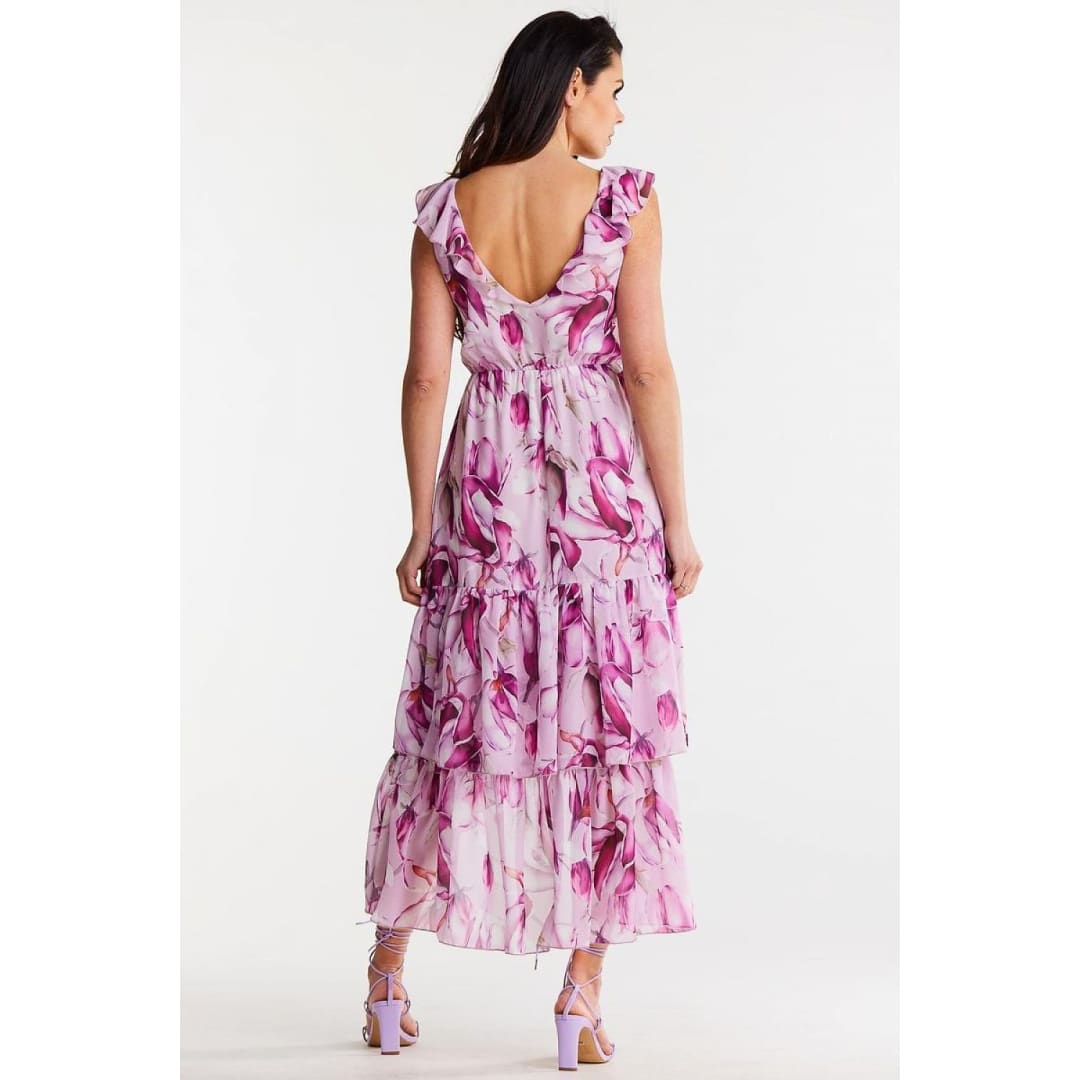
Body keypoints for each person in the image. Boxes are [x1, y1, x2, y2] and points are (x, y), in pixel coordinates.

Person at [356, 10, 703, 1068]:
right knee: (605, 730)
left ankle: (385, 977)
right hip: (598, 507)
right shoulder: (623, 201)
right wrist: (679, 519)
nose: (620, 112)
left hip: (486, 500)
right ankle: (579, 999)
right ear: (571, 87)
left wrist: (420, 524)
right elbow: (646, 367)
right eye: (614, 89)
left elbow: (427, 376)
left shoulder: (446, 209)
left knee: (459, 722)